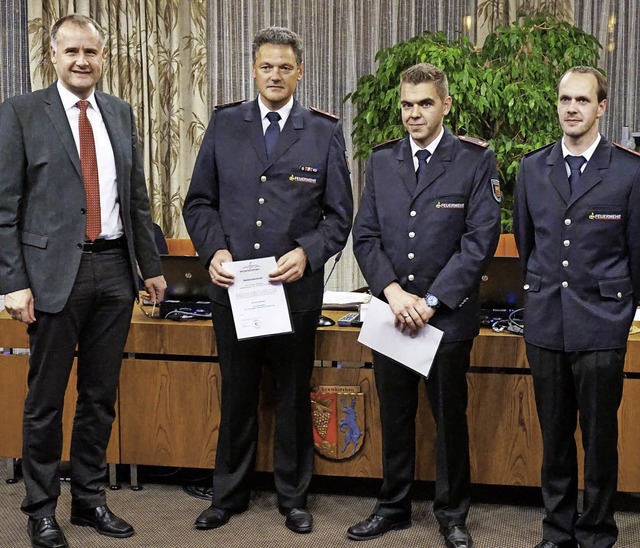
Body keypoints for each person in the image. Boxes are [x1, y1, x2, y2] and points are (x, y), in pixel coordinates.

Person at [0, 14, 166, 548]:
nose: (81, 61)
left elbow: (136, 198)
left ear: (103, 56)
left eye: (90, 52)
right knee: (45, 399)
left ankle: (89, 499)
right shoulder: (21, 114)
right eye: (71, 51)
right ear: (52, 56)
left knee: (100, 395)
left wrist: (152, 267)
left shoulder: (119, 113)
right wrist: (12, 282)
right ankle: (41, 508)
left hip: (115, 270)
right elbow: (5, 207)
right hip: (50, 277)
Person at [182, 26, 352, 535]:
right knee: (236, 392)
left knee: (294, 395)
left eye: (284, 67)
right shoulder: (224, 123)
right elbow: (198, 203)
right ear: (253, 70)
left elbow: (339, 217)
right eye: (266, 66)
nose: (275, 75)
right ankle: (228, 495)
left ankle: (293, 498)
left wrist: (309, 253)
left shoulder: (323, 131)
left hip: (293, 291)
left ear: (300, 72)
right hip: (234, 289)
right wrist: (213, 250)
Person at [349, 63, 501, 547]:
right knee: (394, 415)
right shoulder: (382, 161)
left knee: (448, 420)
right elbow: (366, 234)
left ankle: (452, 514)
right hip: (391, 312)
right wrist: (393, 293)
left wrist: (431, 301)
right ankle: (392, 506)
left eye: (425, 103)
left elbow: (480, 242)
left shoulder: (475, 160)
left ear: (446, 105)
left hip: (447, 318)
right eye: (407, 105)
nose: (414, 114)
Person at [514, 66, 640, 548]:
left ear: (601, 107)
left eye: (582, 101)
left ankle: (597, 531)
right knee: (554, 437)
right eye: (565, 99)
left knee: (599, 438)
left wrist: (624, 315)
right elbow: (529, 247)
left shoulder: (629, 171)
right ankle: (558, 529)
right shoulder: (532, 168)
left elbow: (635, 252)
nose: (571, 109)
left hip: (602, 324)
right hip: (547, 320)